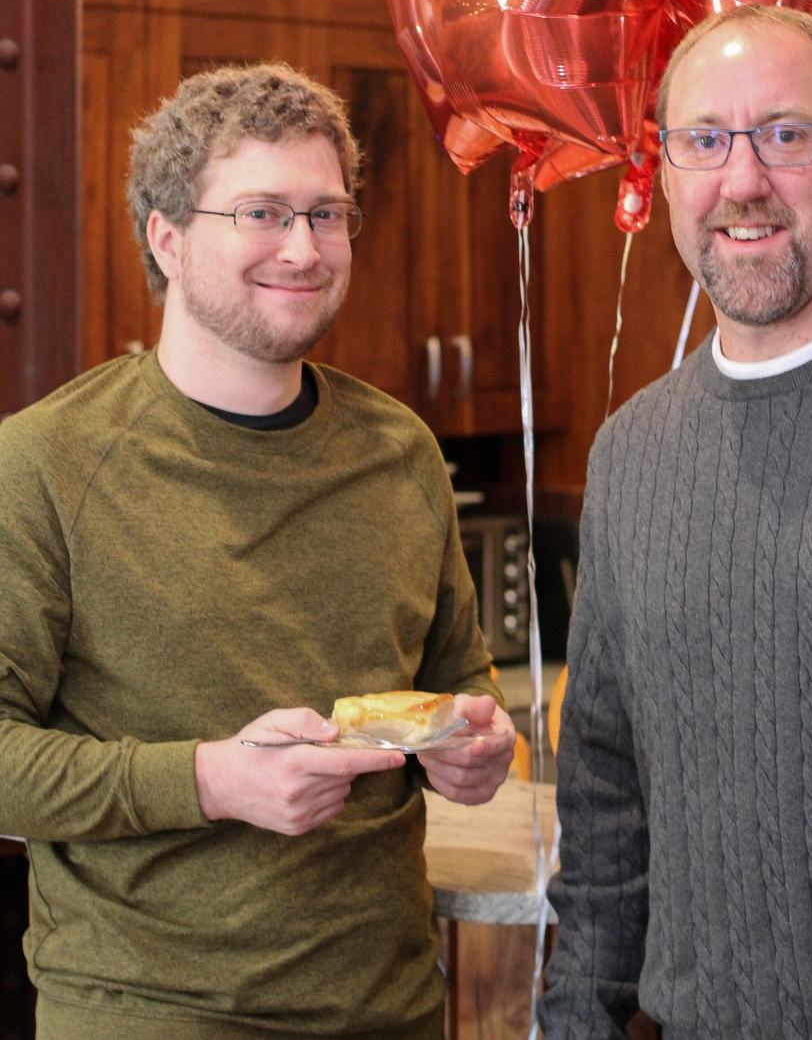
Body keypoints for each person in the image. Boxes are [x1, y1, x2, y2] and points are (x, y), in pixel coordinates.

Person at [0, 62, 515, 1040]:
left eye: (327, 214)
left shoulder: (401, 451)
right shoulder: (45, 465)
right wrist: (208, 780)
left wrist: (471, 752)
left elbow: (455, 683)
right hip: (148, 1013)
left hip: (391, 1006)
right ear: (165, 234)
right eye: (262, 212)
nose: (303, 247)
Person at [539, 4, 812, 1039]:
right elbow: (602, 807)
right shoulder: (633, 453)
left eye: (784, 134)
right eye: (703, 141)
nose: (742, 181)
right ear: (662, 173)